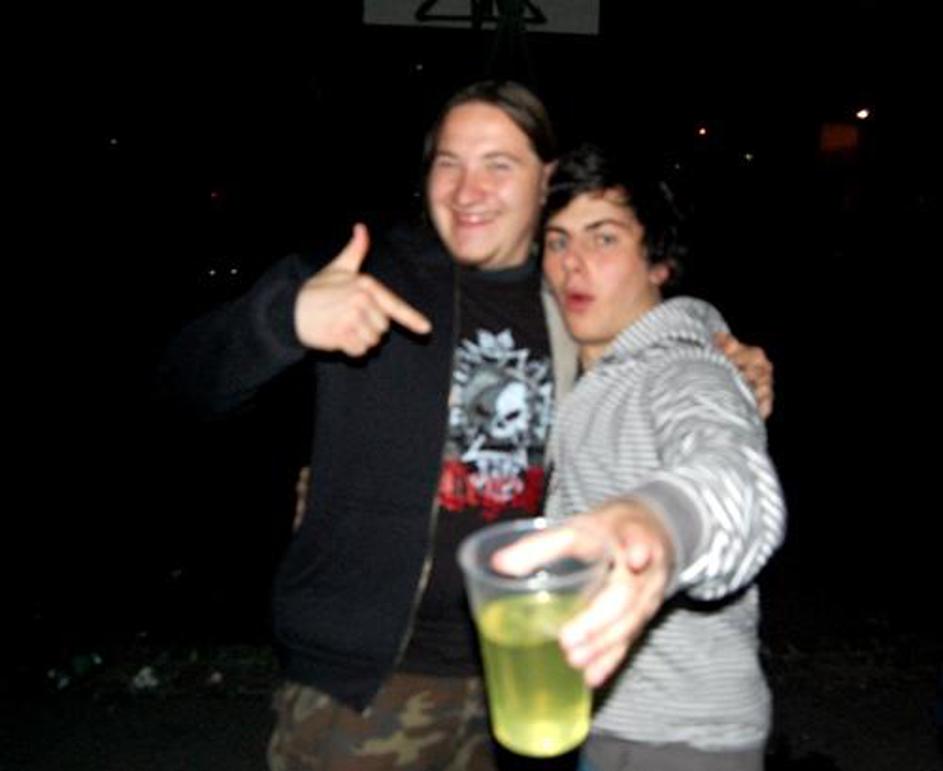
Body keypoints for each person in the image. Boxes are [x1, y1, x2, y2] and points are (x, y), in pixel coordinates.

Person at [160, 82, 774, 771]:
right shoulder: (364, 273)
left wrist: (727, 359)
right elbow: (183, 385)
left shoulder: (567, 304)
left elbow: (660, 355)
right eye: (448, 163)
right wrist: (284, 320)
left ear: (545, 178)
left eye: (498, 164)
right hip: (363, 688)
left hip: (516, 677)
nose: (466, 190)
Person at [494, 143, 786, 770]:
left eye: (603, 238)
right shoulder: (570, 366)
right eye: (558, 241)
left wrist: (659, 524)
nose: (572, 264)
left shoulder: (686, 372)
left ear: (658, 261)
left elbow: (736, 477)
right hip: (588, 715)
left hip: (678, 738)